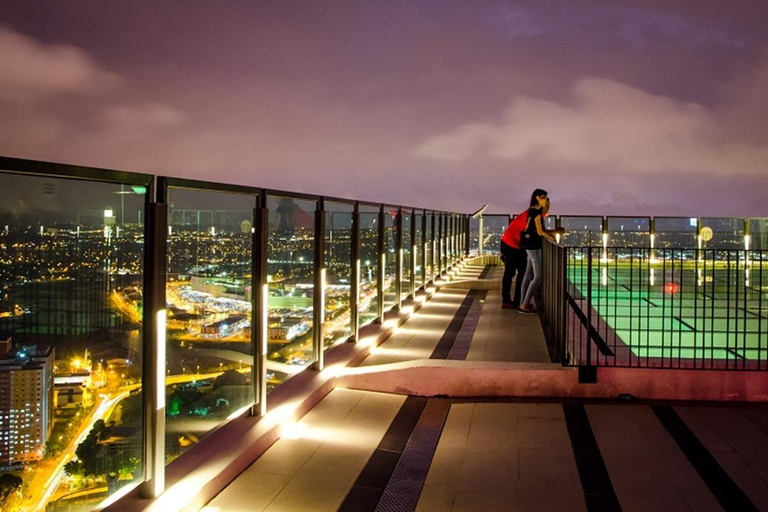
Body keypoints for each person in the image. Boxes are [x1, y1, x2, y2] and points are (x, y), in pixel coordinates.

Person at [519, 189, 561, 315]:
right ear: (538, 198)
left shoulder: (530, 210)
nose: (545, 200)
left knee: (527, 276)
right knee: (538, 277)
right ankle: (524, 305)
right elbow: (540, 231)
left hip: (528, 246)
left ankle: (522, 302)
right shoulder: (536, 212)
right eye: (544, 198)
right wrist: (552, 238)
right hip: (534, 247)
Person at [499, 211, 530, 309]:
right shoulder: (533, 215)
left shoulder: (531, 213)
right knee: (511, 273)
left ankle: (516, 300)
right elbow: (536, 232)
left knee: (519, 273)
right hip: (511, 245)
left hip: (514, 244)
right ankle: (508, 300)